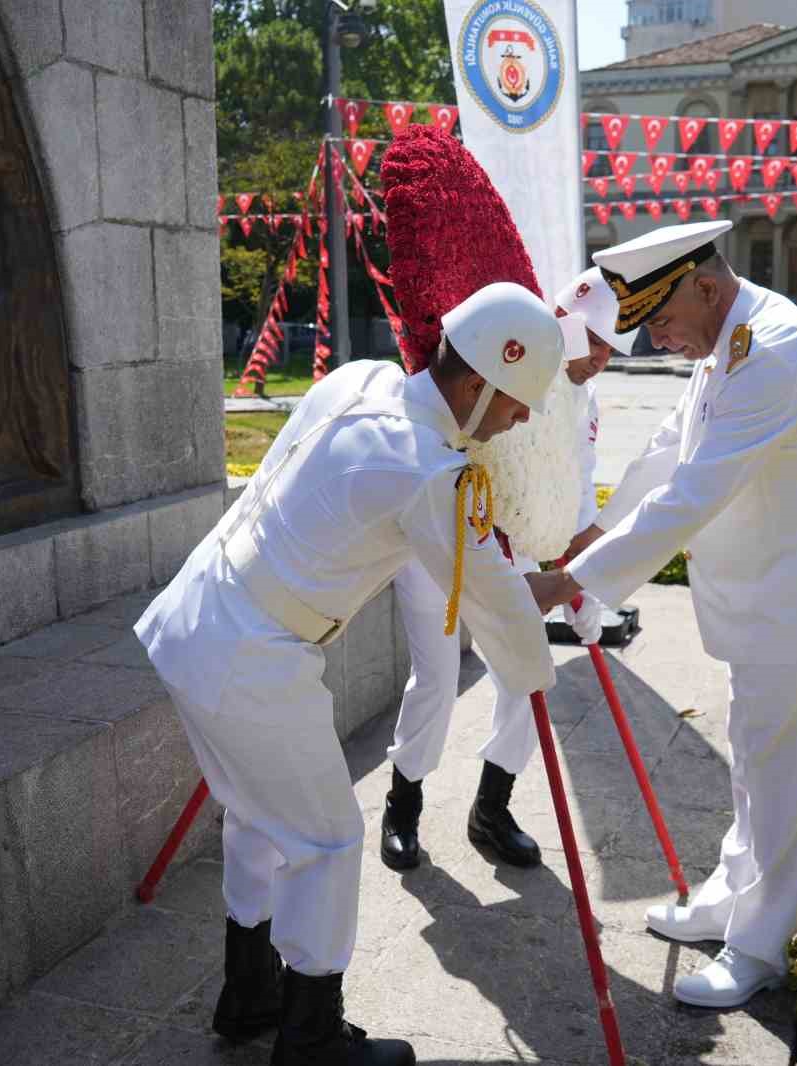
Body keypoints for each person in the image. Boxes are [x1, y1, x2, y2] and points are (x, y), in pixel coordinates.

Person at [136, 281, 575, 1066]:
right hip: (252, 654)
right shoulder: (430, 473)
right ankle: (310, 1041)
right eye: (516, 400)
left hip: (198, 613)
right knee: (328, 838)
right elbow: (499, 609)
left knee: (257, 816)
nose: (524, 418)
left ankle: (251, 996)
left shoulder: (359, 378)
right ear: (476, 383)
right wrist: (553, 616)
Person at [529, 220, 797, 1009]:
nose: (658, 342)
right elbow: (669, 451)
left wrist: (571, 584)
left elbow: (693, 496)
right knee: (755, 761)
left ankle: (761, 947)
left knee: (790, 779)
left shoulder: (771, 354)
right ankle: (732, 900)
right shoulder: (728, 338)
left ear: (703, 285)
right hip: (772, 597)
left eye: (661, 323)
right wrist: (592, 533)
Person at [380, 267, 636, 872]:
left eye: (610, 348)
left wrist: (577, 564)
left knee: (528, 675)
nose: (599, 358)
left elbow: (574, 480)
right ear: (560, 323)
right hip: (439, 527)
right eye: (591, 340)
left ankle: (492, 807)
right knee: (437, 680)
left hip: (511, 542)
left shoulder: (586, 399)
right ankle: (402, 804)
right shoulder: (512, 358)